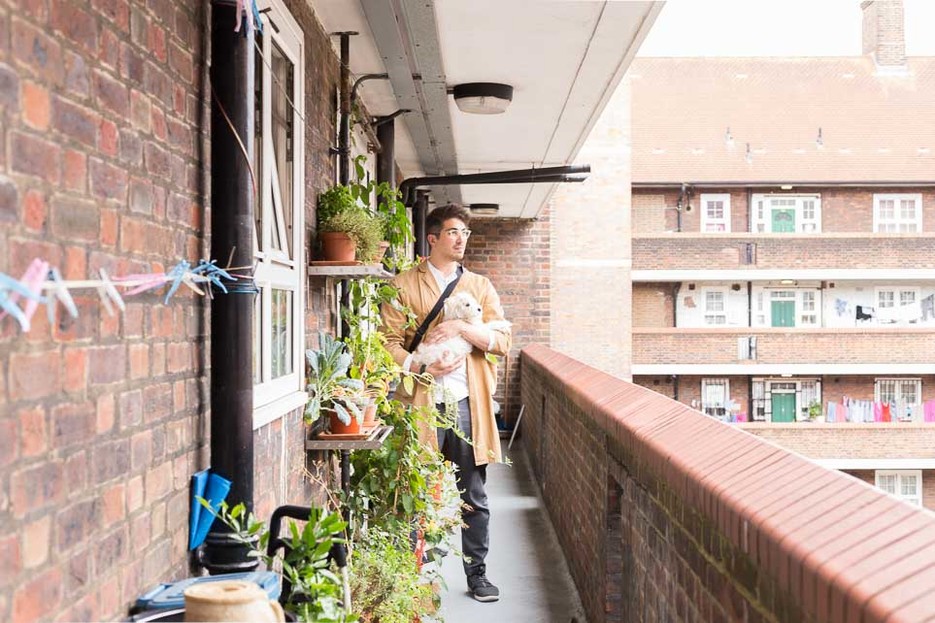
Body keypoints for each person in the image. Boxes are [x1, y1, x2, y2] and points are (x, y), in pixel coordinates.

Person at [381, 204, 511, 603]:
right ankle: (410, 575)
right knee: (412, 490)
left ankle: (478, 575)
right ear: (433, 238)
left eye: (466, 233)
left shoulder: (480, 287)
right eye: (454, 232)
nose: (461, 239)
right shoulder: (404, 285)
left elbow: (502, 341)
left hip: (467, 403)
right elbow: (385, 343)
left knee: (473, 494)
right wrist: (419, 369)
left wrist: (460, 328)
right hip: (420, 401)